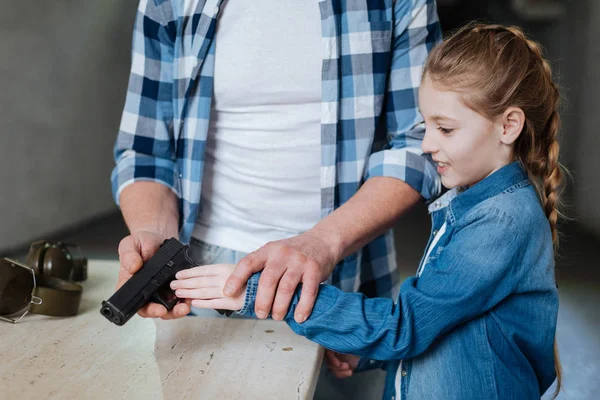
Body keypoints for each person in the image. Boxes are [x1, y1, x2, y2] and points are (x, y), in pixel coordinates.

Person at [171, 23, 564, 399]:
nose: (426, 144)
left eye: (444, 129)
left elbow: (404, 326)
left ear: (509, 126)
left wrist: (261, 292)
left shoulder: (500, 221)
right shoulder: (472, 202)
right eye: (425, 125)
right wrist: (369, 354)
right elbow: (442, 323)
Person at [112, 0, 441, 325]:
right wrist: (153, 234)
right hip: (200, 270)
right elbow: (146, 152)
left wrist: (322, 243)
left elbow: (419, 141)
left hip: (342, 263)